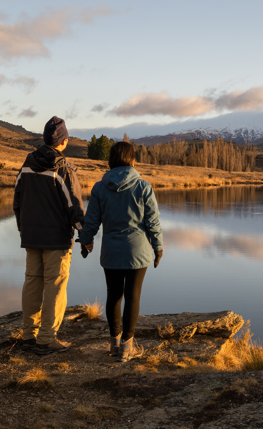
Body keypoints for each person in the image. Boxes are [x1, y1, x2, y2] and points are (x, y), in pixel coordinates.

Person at [79, 141, 163, 362]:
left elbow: (92, 220)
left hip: (111, 251)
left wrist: (85, 241)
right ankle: (127, 348)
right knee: (133, 296)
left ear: (111, 161)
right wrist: (158, 246)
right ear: (132, 160)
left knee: (114, 296)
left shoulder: (99, 188)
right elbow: (153, 222)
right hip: (138, 251)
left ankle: (114, 344)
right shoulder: (143, 187)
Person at [13, 116, 84, 355]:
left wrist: (23, 229)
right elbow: (74, 207)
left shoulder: (27, 163)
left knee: (32, 282)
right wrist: (85, 236)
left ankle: (28, 336)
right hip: (56, 239)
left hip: (31, 236)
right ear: (63, 142)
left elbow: (17, 200)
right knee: (54, 286)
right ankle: (46, 339)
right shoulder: (63, 167)